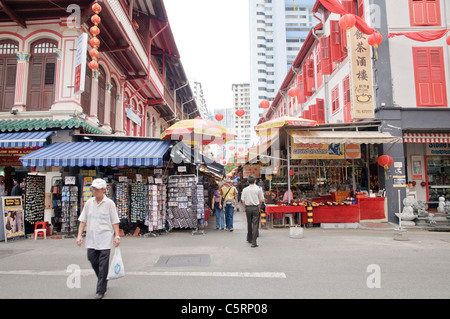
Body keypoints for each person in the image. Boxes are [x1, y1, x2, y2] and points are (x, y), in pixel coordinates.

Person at [76, 178, 120, 299]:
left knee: (103, 264)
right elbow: (82, 220)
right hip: (91, 238)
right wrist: (79, 235)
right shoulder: (89, 203)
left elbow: (115, 221)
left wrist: (117, 236)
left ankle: (100, 290)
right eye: (93, 189)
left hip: (105, 238)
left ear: (104, 190)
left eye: (96, 189)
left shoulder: (110, 204)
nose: (94, 191)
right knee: (92, 258)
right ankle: (103, 278)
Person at [241, 175, 264, 248]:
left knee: (249, 223)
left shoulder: (245, 189)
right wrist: (259, 207)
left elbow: (242, 201)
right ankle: (254, 242)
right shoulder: (258, 189)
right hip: (255, 207)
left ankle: (249, 238)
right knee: (255, 224)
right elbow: (261, 200)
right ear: (255, 181)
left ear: (247, 182)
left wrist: (245, 207)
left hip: (248, 208)